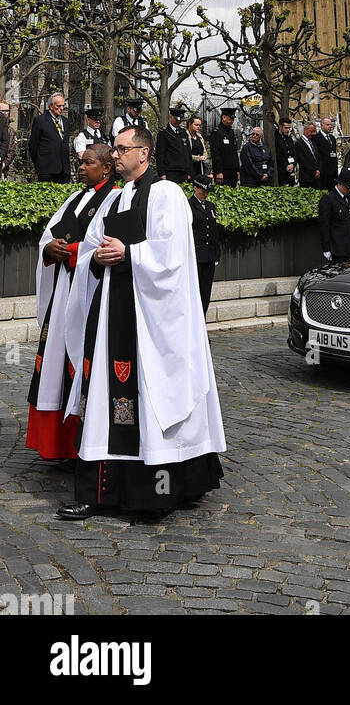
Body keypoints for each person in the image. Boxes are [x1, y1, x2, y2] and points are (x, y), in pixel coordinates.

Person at [58, 125, 225, 521]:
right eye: (113, 150)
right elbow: (91, 248)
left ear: (144, 154)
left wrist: (129, 253)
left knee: (151, 398)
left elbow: (173, 254)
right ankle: (98, 493)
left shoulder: (166, 193)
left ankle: (160, 493)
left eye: (121, 149)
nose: (115, 156)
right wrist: (96, 257)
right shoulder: (113, 199)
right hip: (112, 315)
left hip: (150, 319)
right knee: (104, 400)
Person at [25, 144, 118, 463]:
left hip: (92, 292)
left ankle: (83, 445)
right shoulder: (75, 198)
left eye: (88, 163)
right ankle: (57, 445)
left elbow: (108, 243)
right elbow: (48, 236)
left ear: (106, 168)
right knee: (56, 363)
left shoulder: (116, 198)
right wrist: (49, 249)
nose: (80, 167)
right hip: (64, 288)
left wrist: (78, 251)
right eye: (80, 162)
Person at [189, 175, 220, 315]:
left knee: (206, 292)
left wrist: (216, 254)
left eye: (207, 192)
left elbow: (214, 231)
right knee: (195, 293)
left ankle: (203, 325)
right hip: (196, 255)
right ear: (195, 188)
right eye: (203, 191)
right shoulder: (188, 205)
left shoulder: (210, 206)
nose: (205, 194)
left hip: (209, 256)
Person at [317, 166, 350, 262]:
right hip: (338, 250)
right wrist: (326, 249)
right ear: (340, 184)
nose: (349, 190)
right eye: (348, 187)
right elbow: (324, 226)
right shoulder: (328, 199)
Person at [29, 92, 71, 183]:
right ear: (51, 106)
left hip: (64, 170)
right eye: (58, 106)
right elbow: (33, 145)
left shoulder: (65, 122)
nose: (61, 109)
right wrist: (39, 163)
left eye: (63, 106)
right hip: (46, 169)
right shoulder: (40, 120)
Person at [155, 104, 193, 184]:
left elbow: (188, 153)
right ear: (171, 117)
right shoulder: (164, 133)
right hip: (170, 171)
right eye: (176, 119)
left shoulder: (183, 133)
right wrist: (162, 173)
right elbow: (160, 155)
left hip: (183, 171)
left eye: (180, 119)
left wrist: (189, 171)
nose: (178, 121)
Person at [209, 107, 240, 188]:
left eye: (233, 119)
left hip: (232, 171)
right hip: (223, 172)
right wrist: (219, 172)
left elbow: (234, 152)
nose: (232, 121)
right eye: (230, 118)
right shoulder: (217, 132)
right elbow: (215, 154)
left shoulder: (231, 132)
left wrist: (237, 170)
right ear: (224, 117)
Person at [294, 121, 322, 188]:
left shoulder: (314, 143)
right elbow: (302, 161)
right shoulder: (299, 144)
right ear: (306, 130)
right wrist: (313, 172)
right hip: (306, 178)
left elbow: (318, 158)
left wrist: (318, 170)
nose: (313, 134)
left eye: (314, 131)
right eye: (311, 131)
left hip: (317, 178)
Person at [316, 117, 339, 191]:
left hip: (333, 172)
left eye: (331, 125)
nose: (330, 126)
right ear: (322, 125)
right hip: (324, 172)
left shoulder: (332, 138)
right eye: (328, 125)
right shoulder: (316, 138)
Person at [274, 118, 297, 186]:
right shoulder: (275, 138)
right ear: (280, 126)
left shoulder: (289, 138)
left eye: (289, 128)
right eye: (286, 128)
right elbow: (278, 155)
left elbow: (294, 153)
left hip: (291, 170)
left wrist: (293, 164)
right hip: (281, 172)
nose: (288, 130)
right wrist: (287, 166)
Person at [0, 100, 15, 178]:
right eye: (3, 111)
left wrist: (4, 163)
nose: (5, 113)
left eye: (7, 111)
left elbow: (12, 150)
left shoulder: (10, 131)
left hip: (3, 169)